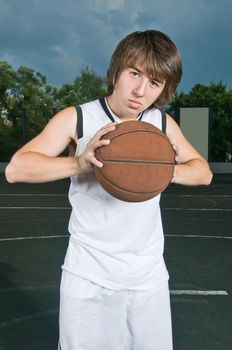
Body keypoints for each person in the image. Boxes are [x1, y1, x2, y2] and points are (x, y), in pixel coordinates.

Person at [5, 30, 212, 350]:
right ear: (117, 70)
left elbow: (203, 173)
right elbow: (17, 169)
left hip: (147, 277)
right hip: (88, 276)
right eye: (135, 74)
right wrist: (80, 163)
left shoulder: (160, 124)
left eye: (155, 83)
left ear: (163, 90)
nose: (141, 91)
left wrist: (159, 170)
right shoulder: (78, 118)